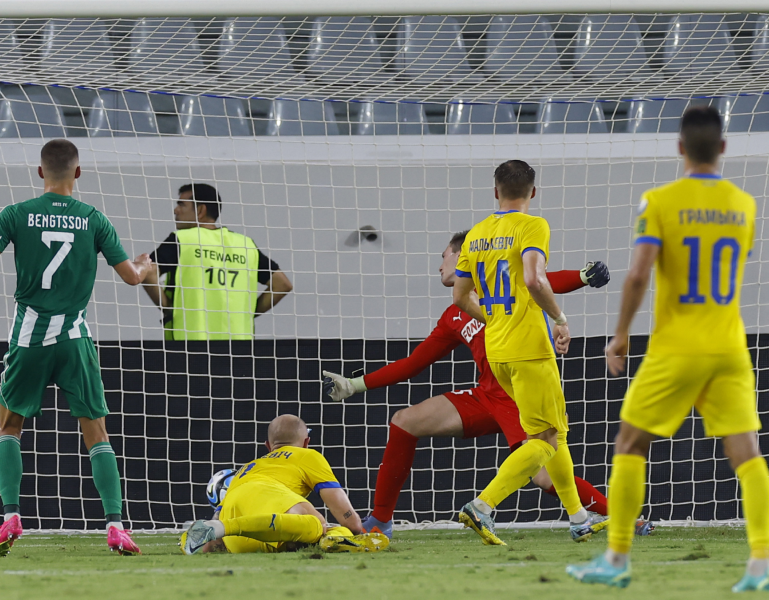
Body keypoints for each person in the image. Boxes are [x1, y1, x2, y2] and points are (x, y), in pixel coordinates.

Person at [323, 232, 644, 541]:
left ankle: (623, 518)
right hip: (486, 395)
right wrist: (356, 385)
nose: (439, 266)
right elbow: (413, 364)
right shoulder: (455, 313)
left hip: (520, 396)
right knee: (405, 421)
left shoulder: (501, 291)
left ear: (463, 256)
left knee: (544, 473)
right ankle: (380, 519)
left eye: (444, 256)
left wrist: (583, 276)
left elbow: (543, 281)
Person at [568, 107, 769, 591]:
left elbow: (639, 274)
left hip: (677, 347)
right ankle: (761, 565)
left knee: (631, 444)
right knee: (746, 453)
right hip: (728, 345)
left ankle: (616, 559)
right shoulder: (744, 205)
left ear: (680, 148)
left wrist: (619, 335)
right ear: (723, 148)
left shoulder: (659, 201)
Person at [0, 139, 152, 557]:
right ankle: (115, 525)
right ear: (78, 173)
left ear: (40, 173)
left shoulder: (16, 214)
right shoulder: (94, 219)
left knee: (9, 429)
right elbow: (131, 277)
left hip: (29, 338)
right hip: (74, 340)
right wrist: (145, 265)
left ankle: (11, 517)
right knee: (97, 435)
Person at [451, 160, 601, 546]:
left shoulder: (477, 234)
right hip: (530, 349)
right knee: (544, 439)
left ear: (495, 190)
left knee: (554, 433)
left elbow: (459, 295)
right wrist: (560, 319)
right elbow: (534, 279)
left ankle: (579, 518)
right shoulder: (533, 225)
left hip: (498, 349)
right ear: (532, 192)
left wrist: (497, 318)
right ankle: (482, 506)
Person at [180, 414, 388, 555]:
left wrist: (189, 541)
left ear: (268, 446)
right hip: (262, 515)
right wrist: (358, 531)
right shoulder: (307, 455)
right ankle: (333, 537)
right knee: (316, 523)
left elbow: (215, 533)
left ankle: (219, 528)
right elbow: (346, 515)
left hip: (239, 542)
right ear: (306, 442)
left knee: (304, 539)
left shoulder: (247, 467)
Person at [142, 183, 293, 340]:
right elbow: (282, 285)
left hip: (189, 345)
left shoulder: (182, 240)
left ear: (201, 210)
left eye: (181, 204)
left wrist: (169, 309)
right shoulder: (245, 245)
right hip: (240, 345)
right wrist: (247, 313)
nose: (175, 210)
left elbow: (148, 271)